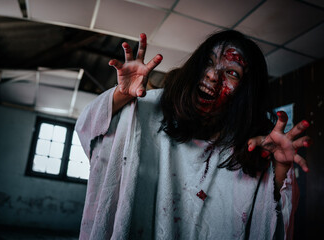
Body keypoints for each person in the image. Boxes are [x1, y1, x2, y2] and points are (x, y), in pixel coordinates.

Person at [75, 30, 311, 240]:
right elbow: (90, 132)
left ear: (246, 93)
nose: (212, 75)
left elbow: (272, 222)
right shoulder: (151, 106)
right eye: (208, 61)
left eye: (232, 72)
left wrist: (279, 170)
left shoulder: (250, 147)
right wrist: (121, 96)